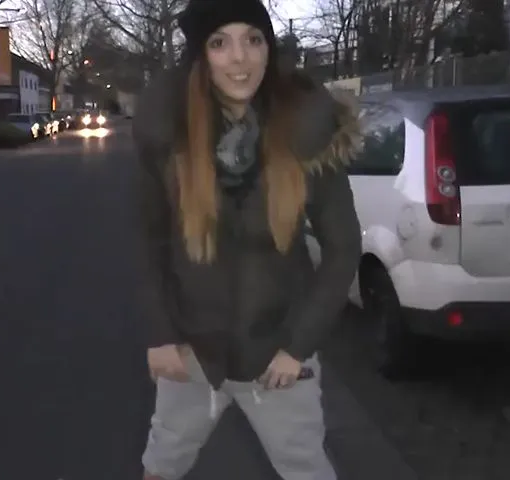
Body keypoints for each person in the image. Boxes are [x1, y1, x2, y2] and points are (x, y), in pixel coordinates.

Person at [131, 0, 362, 478]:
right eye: (220, 43)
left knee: (307, 470)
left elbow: (343, 249)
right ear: (201, 57)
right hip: (192, 352)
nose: (240, 58)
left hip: (277, 357)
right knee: (161, 466)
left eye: (253, 40)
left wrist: (298, 346)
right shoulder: (170, 135)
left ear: (268, 49)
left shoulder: (305, 130)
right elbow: (148, 238)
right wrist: (160, 334)